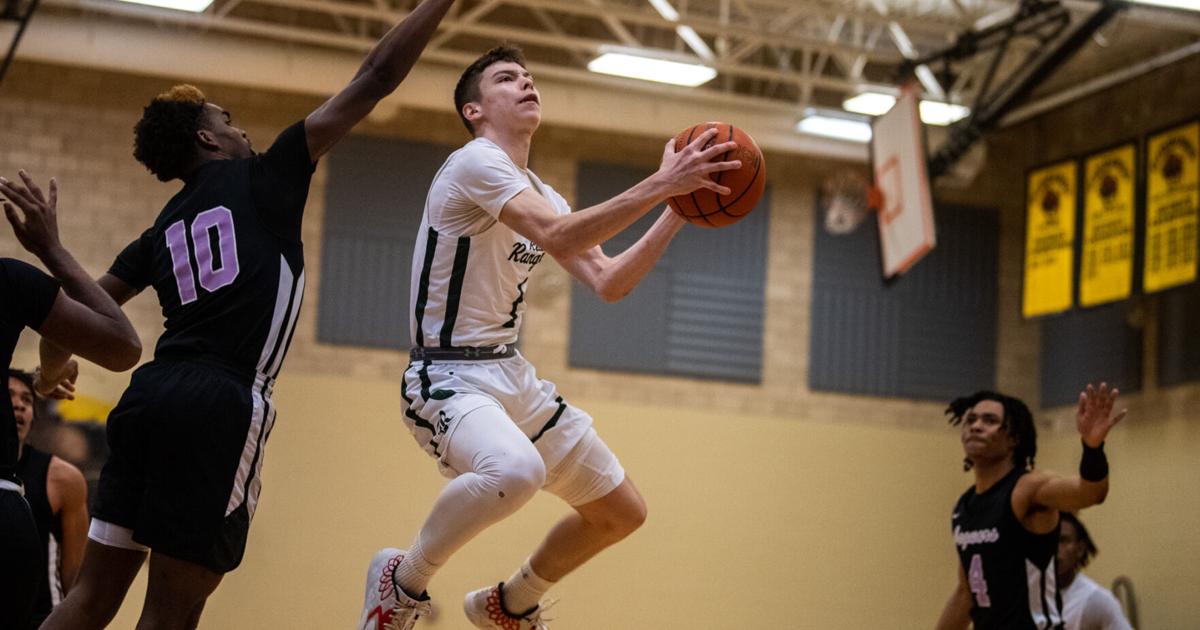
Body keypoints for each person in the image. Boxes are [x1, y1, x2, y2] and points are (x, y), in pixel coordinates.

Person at [32, 2, 458, 628]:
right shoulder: (265, 176)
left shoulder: (160, 230)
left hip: (148, 395)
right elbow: (376, 75)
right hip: (221, 401)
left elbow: (67, 312)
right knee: (170, 612)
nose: (241, 131)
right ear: (207, 138)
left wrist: (50, 370)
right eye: (226, 120)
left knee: (90, 598)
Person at [358, 45, 742, 630]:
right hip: (446, 374)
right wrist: (662, 183)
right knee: (515, 472)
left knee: (620, 513)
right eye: (507, 78)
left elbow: (610, 282)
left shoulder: (542, 191)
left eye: (529, 75)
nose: (526, 82)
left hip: (509, 373)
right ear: (474, 111)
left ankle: (508, 603)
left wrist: (679, 207)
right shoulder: (474, 162)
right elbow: (555, 232)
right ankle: (402, 582)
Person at [0, 171, 141, 630]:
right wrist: (51, 250)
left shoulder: (62, 476)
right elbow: (123, 346)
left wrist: (46, 376)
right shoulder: (9, 279)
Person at [935, 384, 1126, 630]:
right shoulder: (964, 506)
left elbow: (1091, 493)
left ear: (1013, 437)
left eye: (989, 420)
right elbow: (965, 595)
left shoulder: (1028, 488)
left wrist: (1092, 448)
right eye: (971, 419)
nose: (976, 425)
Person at [10, 368, 89, 629]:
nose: (19, 405)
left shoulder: (64, 480)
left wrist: (52, 368)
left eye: (27, 400)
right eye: (9, 396)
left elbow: (76, 584)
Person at [1057, 512, 1132, 630]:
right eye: (1048, 541)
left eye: (1063, 540)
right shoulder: (1026, 594)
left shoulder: (1096, 600)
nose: (1055, 548)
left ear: (1080, 549)